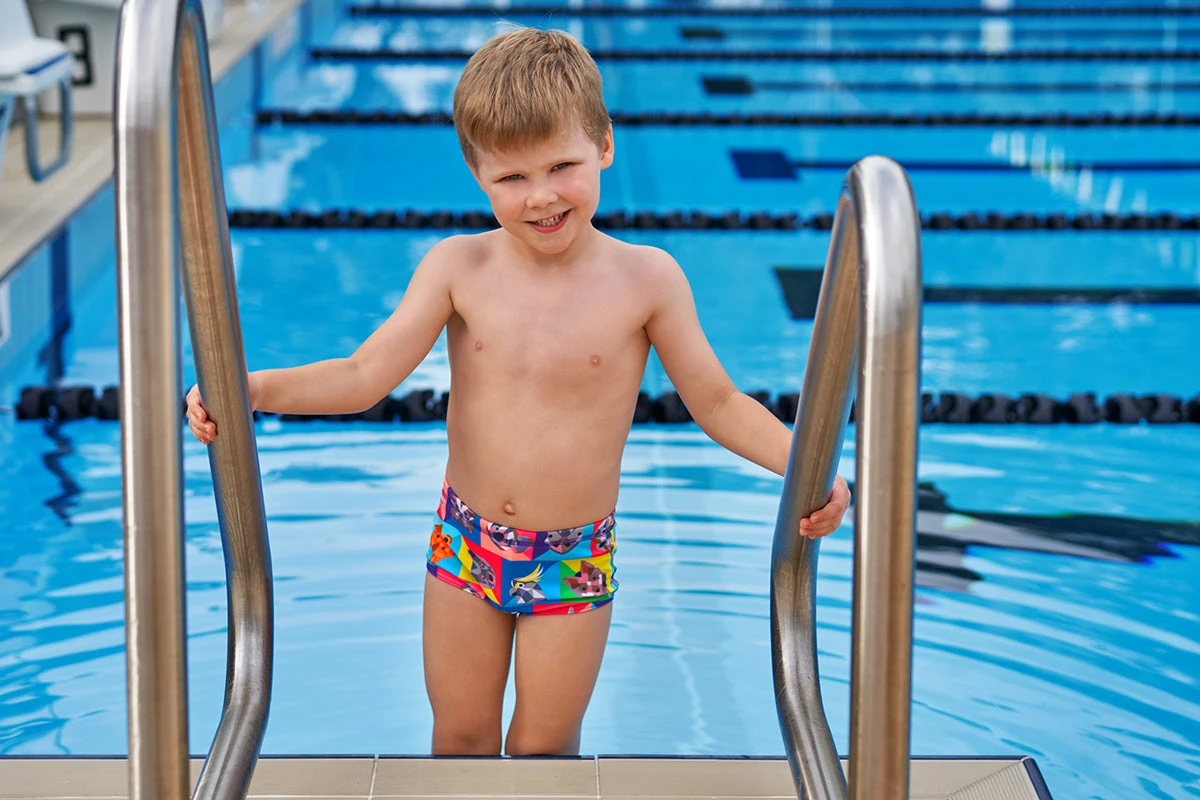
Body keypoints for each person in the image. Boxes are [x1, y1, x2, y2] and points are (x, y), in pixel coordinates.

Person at [186, 27, 850, 758]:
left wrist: (809, 466)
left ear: (604, 144)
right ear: (476, 173)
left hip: (574, 556)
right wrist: (246, 388)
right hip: (465, 545)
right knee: (462, 739)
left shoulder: (647, 280)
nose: (541, 198)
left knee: (542, 751)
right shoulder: (457, 267)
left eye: (561, 165)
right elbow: (362, 376)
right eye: (511, 178)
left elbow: (718, 404)